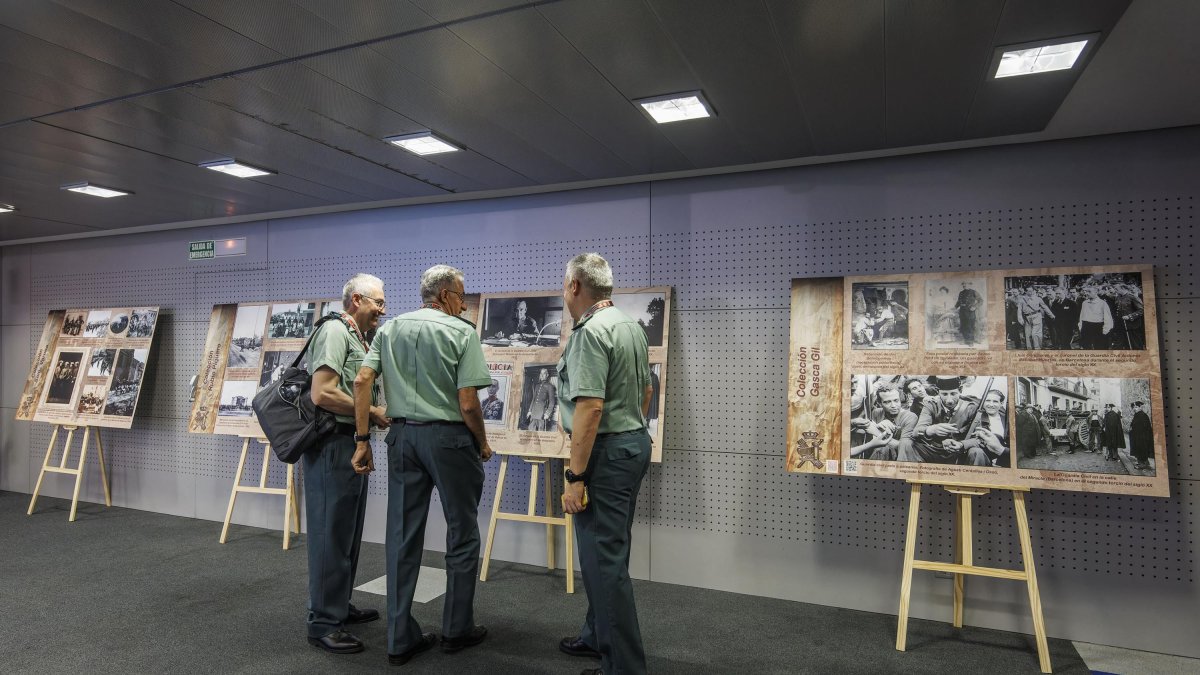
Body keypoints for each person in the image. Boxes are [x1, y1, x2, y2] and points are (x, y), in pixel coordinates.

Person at [352, 264, 493, 666]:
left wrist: (362, 440)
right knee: (462, 532)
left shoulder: (391, 329)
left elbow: (363, 381)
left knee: (401, 535)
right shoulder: (461, 331)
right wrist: (482, 442)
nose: (464, 304)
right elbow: (468, 402)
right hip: (449, 440)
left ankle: (399, 638)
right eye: (462, 296)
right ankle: (456, 628)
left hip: (401, 438)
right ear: (446, 295)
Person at [558, 252, 654, 675]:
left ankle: (625, 667)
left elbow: (590, 408)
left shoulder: (590, 332)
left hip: (605, 452)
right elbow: (647, 391)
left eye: (565, 284)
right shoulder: (629, 325)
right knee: (604, 553)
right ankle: (597, 633)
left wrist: (576, 477)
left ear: (576, 286)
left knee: (605, 560)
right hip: (632, 443)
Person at [302, 273, 389, 655]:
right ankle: (323, 622)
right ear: (356, 300)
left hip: (351, 441)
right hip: (331, 446)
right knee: (329, 534)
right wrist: (370, 410)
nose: (382, 310)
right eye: (378, 303)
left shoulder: (358, 335)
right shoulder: (335, 332)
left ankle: (337, 606)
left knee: (347, 533)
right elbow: (322, 393)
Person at [897, 377, 989, 465]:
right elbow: (916, 432)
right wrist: (931, 430)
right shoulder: (931, 405)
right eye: (944, 394)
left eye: (953, 394)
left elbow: (982, 439)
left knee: (977, 452)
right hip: (935, 451)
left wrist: (962, 444)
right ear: (938, 392)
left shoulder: (972, 408)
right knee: (906, 443)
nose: (949, 400)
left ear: (960, 390)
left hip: (961, 452)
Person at [851, 383, 917, 461]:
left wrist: (876, 431)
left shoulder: (910, 417)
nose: (893, 405)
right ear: (879, 403)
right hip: (881, 454)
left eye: (896, 400)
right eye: (887, 402)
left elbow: (904, 448)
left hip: (903, 458)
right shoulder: (876, 412)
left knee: (882, 449)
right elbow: (867, 433)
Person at [1129, 401, 1153, 470]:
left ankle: (1142, 464)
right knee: (1139, 449)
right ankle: (1144, 462)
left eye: (1136, 407)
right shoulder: (1136, 415)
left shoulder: (1143, 415)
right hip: (1137, 436)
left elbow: (1146, 427)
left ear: (1140, 407)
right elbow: (1134, 424)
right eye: (1133, 407)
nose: (1134, 409)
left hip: (1142, 437)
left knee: (1141, 449)